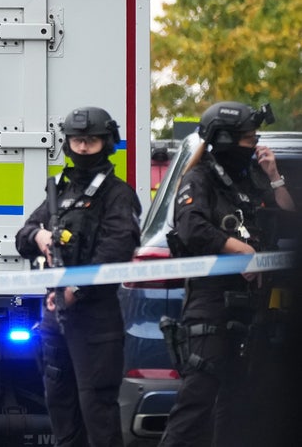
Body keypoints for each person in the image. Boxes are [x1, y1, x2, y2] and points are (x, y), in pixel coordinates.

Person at [158, 101, 295, 447]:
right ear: (224, 139)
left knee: (237, 408)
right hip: (211, 306)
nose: (254, 144)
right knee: (196, 403)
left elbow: (289, 219)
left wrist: (274, 176)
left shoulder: (249, 179)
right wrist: (240, 250)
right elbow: (191, 227)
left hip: (250, 308)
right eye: (249, 139)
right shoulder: (199, 178)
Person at [16, 106, 142, 447]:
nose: (83, 148)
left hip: (95, 320)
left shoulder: (118, 194)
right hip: (56, 316)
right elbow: (23, 236)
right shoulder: (60, 190)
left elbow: (116, 250)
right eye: (77, 141)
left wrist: (75, 289)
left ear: (107, 143)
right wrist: (39, 237)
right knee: (61, 409)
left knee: (97, 412)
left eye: (91, 141)